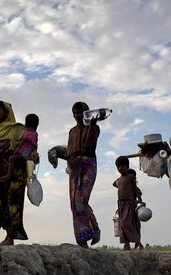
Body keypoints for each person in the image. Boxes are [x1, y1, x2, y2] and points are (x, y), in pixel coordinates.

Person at [0, 101, 28, 246]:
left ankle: (10, 237)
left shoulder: (18, 130)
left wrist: (33, 156)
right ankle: (9, 232)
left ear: (6, 112)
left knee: (12, 204)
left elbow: (29, 147)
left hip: (15, 173)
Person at [66, 101, 101, 248]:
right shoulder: (72, 131)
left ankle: (94, 228)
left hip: (88, 165)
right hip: (74, 166)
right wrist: (68, 164)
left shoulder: (95, 128)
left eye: (79, 112)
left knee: (81, 199)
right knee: (74, 203)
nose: (76, 115)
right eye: (74, 113)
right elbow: (69, 151)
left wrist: (91, 125)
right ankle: (82, 240)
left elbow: (87, 145)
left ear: (86, 113)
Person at [113, 156, 143, 250]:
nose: (120, 168)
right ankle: (127, 244)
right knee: (122, 224)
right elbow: (114, 184)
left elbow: (136, 190)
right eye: (118, 166)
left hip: (129, 203)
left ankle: (137, 240)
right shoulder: (119, 180)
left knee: (127, 223)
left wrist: (139, 200)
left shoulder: (130, 177)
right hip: (121, 204)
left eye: (123, 166)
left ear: (127, 167)